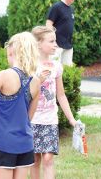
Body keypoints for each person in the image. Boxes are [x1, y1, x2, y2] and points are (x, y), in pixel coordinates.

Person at [0, 32, 42, 179]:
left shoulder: (4, 75)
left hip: (3, 142)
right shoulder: (36, 82)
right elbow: (28, 117)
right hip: (25, 143)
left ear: (11, 52)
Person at [30, 26, 78, 179]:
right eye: (51, 41)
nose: (55, 45)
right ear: (38, 44)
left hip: (50, 120)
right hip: (31, 120)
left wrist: (71, 119)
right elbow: (24, 94)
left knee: (48, 158)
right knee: (34, 159)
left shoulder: (57, 66)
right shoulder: (29, 66)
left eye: (55, 41)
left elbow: (61, 95)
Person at [46, 0, 80, 66]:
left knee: (67, 68)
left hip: (68, 45)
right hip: (57, 45)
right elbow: (48, 24)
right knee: (54, 68)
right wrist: (53, 41)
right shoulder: (56, 7)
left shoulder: (71, 8)